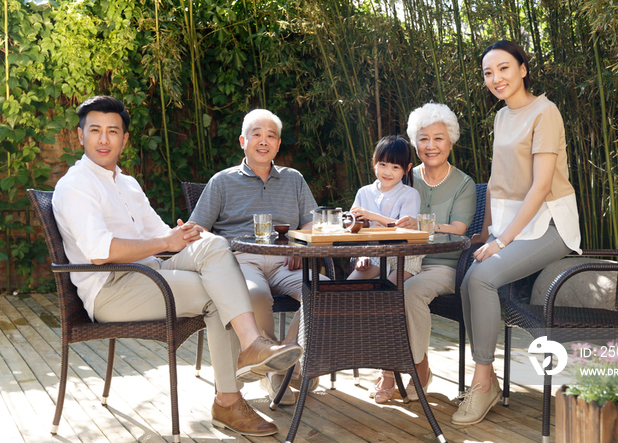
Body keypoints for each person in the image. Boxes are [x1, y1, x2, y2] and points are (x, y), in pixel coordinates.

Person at [52, 96, 303, 437]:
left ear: (124, 139)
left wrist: (182, 235)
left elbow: (160, 235)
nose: (103, 139)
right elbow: (100, 252)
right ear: (79, 136)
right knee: (223, 293)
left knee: (212, 243)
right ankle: (232, 393)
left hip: (149, 272)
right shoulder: (75, 185)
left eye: (113, 131)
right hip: (112, 290)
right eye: (95, 130)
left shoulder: (126, 183)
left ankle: (249, 350)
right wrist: (165, 243)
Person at [452, 40, 581, 426]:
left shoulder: (546, 112)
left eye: (504, 68)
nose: (496, 79)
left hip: (551, 224)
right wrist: (487, 232)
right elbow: (495, 182)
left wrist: (501, 241)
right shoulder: (501, 117)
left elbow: (541, 187)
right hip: (513, 224)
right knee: (466, 280)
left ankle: (483, 382)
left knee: (483, 280)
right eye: (488, 73)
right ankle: (486, 380)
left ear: (523, 69)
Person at [189, 108, 323, 406]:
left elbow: (314, 222)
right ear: (242, 141)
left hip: (286, 260)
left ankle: (282, 363)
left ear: (277, 145)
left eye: (271, 136)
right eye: (257, 135)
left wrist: (301, 245)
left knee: (323, 290)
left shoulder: (294, 179)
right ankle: (274, 370)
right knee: (254, 295)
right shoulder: (222, 181)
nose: (264, 141)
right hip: (243, 261)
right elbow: (199, 228)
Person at [370, 103, 477, 403]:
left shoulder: (463, 184)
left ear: (451, 140)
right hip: (400, 259)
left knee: (408, 291)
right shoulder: (402, 174)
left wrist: (423, 224)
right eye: (423, 138)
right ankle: (387, 370)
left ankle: (419, 365)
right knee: (381, 287)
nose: (431, 146)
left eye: (438, 138)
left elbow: (459, 228)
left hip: (442, 264)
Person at [348, 135, 422, 290]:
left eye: (395, 167)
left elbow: (404, 229)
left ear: (407, 169)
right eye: (383, 164)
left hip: (405, 256)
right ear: (374, 162)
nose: (387, 172)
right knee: (349, 288)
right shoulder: (364, 193)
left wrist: (371, 216)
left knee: (385, 293)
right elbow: (353, 229)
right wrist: (361, 254)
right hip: (373, 254)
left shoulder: (410, 194)